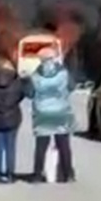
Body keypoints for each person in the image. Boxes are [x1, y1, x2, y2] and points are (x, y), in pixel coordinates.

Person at [26, 47, 76, 183]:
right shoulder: (63, 73)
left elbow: (29, 93)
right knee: (63, 144)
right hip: (61, 112)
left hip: (42, 113)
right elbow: (72, 87)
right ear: (54, 58)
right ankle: (68, 173)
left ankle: (37, 174)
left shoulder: (35, 76)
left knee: (41, 145)